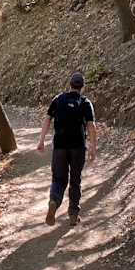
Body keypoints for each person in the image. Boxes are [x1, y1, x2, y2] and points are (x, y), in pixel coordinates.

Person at [36, 71, 97, 225]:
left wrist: (41, 141)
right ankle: (73, 214)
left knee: (58, 178)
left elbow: (47, 120)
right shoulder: (85, 102)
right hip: (77, 145)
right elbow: (91, 125)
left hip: (60, 145)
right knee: (75, 179)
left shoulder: (58, 99)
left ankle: (54, 202)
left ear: (69, 85)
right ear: (82, 87)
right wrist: (93, 147)